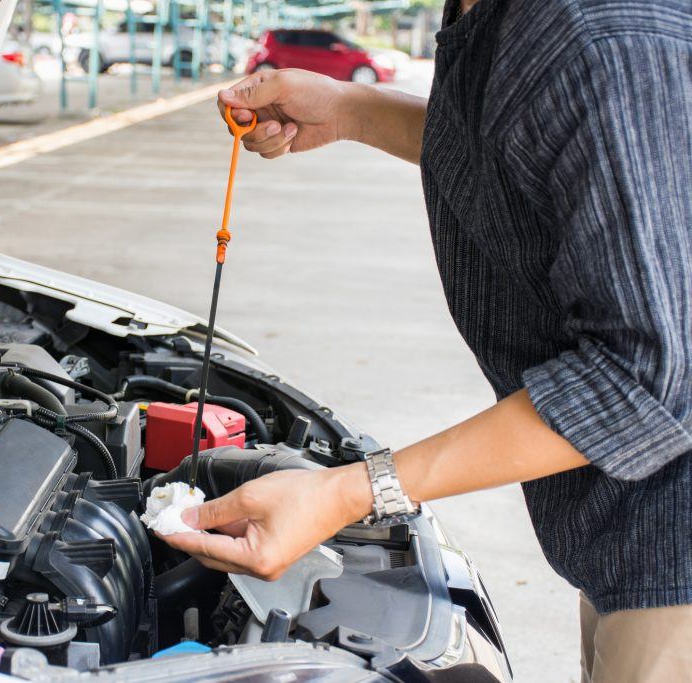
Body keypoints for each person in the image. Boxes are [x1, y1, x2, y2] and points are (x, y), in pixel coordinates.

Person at [160, 0, 692, 680]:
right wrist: (351, 110)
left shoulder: (597, 32)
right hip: (626, 536)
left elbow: (641, 382)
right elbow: (527, 146)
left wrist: (348, 492)